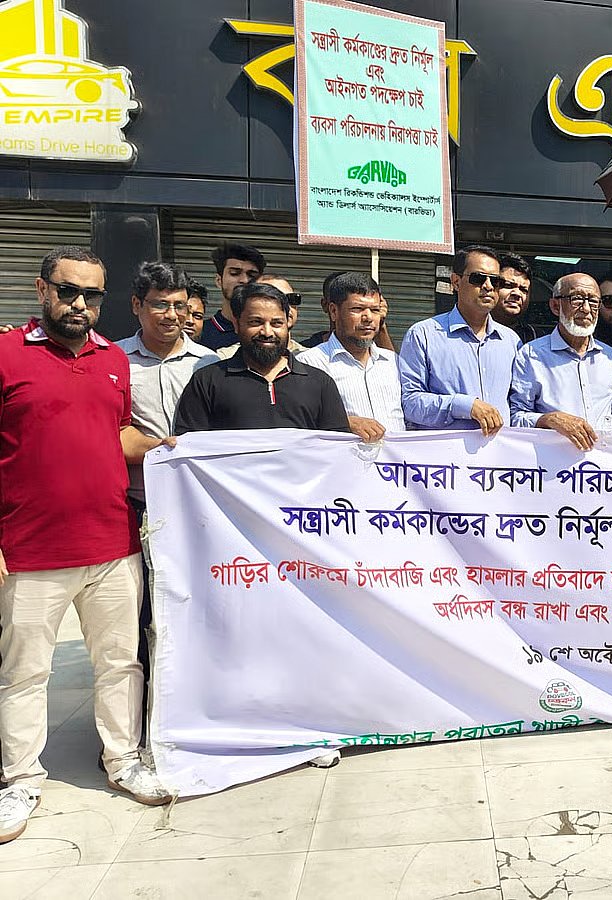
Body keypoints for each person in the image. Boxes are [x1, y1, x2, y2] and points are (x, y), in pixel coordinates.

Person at [0, 247, 172, 845]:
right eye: (68, 291)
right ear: (41, 288)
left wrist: (172, 450)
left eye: (91, 295)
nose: (79, 305)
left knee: (119, 663)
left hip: (112, 542)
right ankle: (19, 780)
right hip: (30, 550)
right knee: (25, 673)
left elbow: (118, 433)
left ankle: (122, 760)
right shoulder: (4, 354)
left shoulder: (112, 361)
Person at [116, 262, 218, 732]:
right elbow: (112, 432)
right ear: (137, 305)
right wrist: (154, 451)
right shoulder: (114, 363)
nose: (172, 314)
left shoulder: (209, 364)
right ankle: (135, 725)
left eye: (179, 305)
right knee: (139, 619)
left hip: (200, 512)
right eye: (161, 304)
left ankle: (192, 714)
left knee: (196, 611)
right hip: (136, 506)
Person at [174, 282, 351, 435]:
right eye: (255, 322)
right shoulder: (206, 382)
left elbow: (336, 450)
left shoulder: (320, 383)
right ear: (237, 324)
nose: (267, 332)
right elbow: (190, 450)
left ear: (288, 324)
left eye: (276, 323)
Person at [398, 244, 520, 434]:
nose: (488, 286)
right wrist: (463, 405)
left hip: (500, 456)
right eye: (478, 278)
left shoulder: (511, 342)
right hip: (446, 457)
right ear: (455, 282)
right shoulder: (423, 335)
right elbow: (410, 404)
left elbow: (519, 406)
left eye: (495, 281)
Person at [510, 273, 612, 450]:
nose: (586, 309)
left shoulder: (611, 358)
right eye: (576, 299)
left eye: (593, 301)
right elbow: (515, 418)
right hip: (552, 466)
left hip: (603, 466)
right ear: (555, 306)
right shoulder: (531, 355)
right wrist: (549, 419)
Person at [296, 272, 405, 440]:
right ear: (333, 311)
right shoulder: (309, 363)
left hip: (394, 464)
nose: (368, 317)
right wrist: (344, 423)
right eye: (357, 309)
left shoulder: (394, 362)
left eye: (375, 310)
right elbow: (299, 422)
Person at [217, 273, 305, 359]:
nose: (284, 305)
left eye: (291, 298)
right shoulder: (224, 358)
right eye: (270, 298)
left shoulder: (312, 360)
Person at [198, 242, 265, 350]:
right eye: (234, 273)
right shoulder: (200, 334)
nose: (244, 280)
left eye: (251, 275)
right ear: (219, 281)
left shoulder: (268, 333)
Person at [492, 253, 539, 345]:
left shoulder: (535, 336)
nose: (517, 294)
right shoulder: (472, 332)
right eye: (508, 286)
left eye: (523, 289)